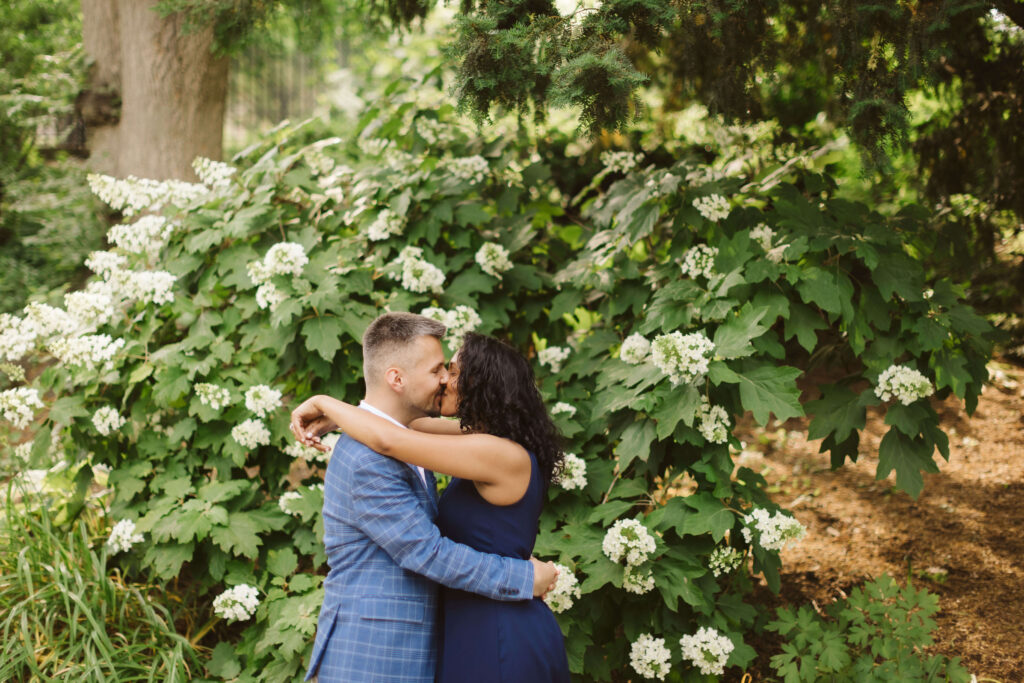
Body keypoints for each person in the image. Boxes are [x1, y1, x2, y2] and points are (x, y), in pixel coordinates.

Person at [290, 313, 559, 683]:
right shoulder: (405, 446)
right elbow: (398, 428)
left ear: (481, 385)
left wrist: (324, 402)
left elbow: (393, 437)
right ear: (397, 378)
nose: (446, 379)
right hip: (382, 652)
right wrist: (342, 415)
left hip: (496, 628)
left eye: (452, 371)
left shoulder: (493, 450)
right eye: (439, 369)